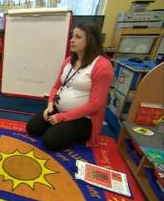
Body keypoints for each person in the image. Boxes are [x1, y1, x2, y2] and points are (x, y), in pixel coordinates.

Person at [26, 23, 114, 151]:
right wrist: (50, 105)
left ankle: (75, 133)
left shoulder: (103, 66)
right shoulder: (69, 61)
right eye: (72, 36)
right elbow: (56, 86)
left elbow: (96, 104)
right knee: (32, 128)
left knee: (51, 141)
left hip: (83, 118)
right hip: (59, 110)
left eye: (78, 37)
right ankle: (61, 129)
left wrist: (61, 118)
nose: (72, 40)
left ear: (90, 40)